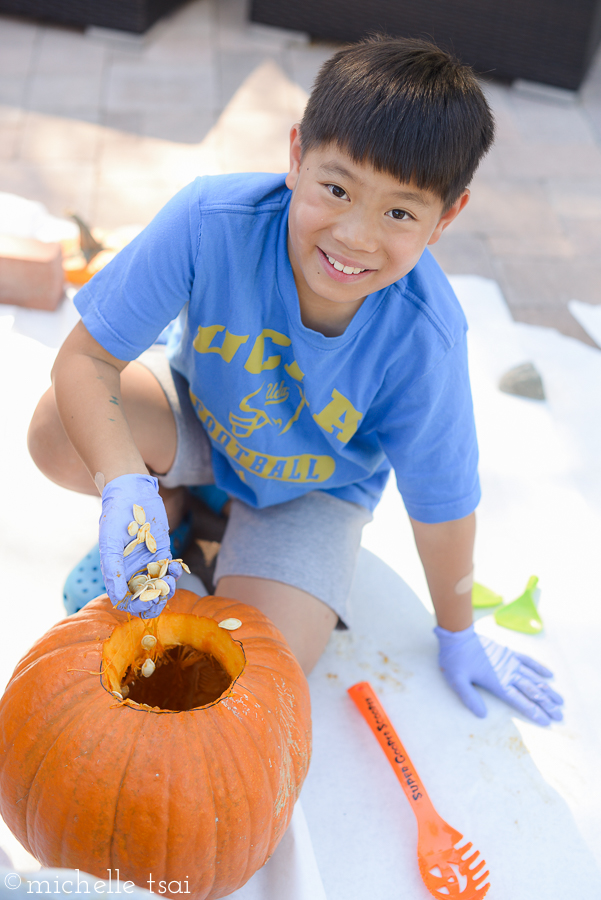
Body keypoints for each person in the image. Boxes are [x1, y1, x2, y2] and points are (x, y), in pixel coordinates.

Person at [28, 36, 563, 726]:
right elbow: (85, 360)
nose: (354, 236)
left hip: (312, 493)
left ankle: (206, 524)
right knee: (55, 433)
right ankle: (174, 506)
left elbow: (442, 505)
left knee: (253, 666)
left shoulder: (427, 334)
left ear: (446, 218)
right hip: (200, 420)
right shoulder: (208, 219)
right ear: (294, 158)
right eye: (335, 189)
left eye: (398, 213)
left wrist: (455, 631)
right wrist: (122, 480)